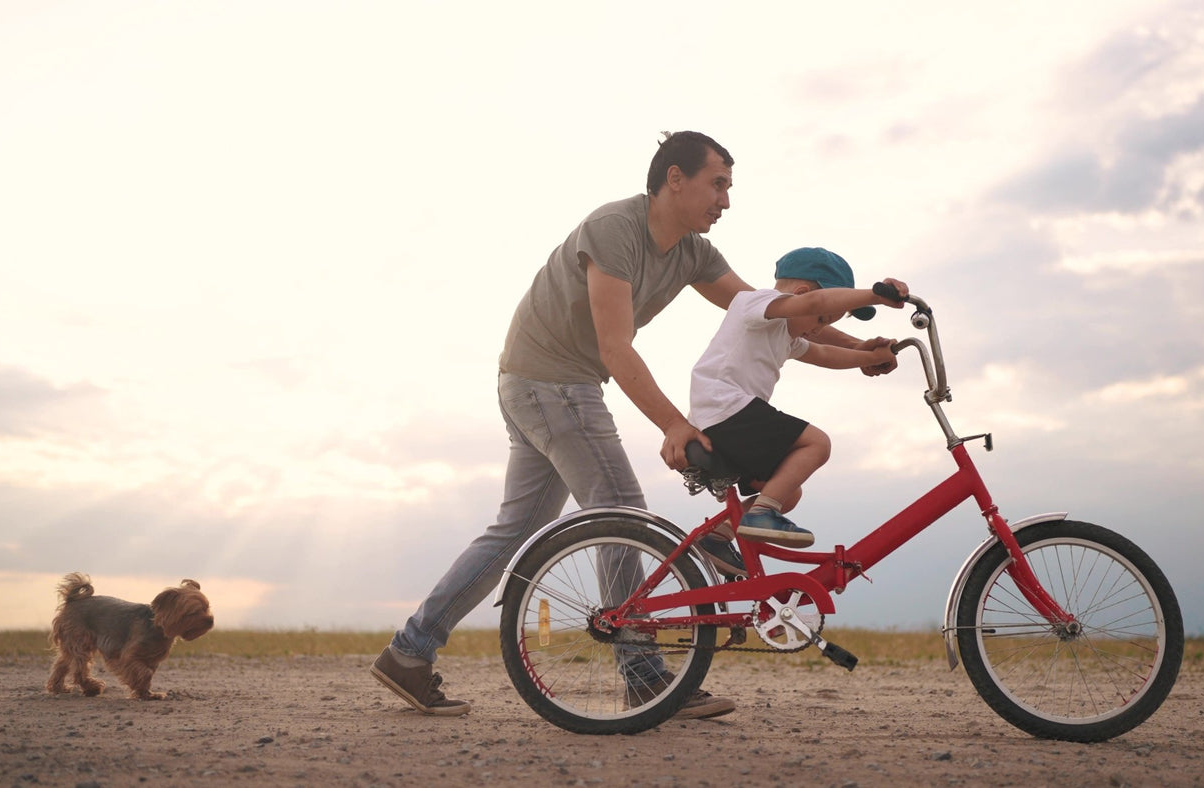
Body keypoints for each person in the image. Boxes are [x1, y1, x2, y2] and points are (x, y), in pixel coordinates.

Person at [371, 132, 899, 719]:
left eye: (729, 188)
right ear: (675, 178)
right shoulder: (615, 229)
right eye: (717, 184)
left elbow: (780, 317)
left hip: (543, 384)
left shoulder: (693, 251)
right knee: (620, 511)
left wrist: (861, 348)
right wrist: (675, 424)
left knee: (514, 529)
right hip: (552, 382)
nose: (725, 201)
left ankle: (409, 653)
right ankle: (645, 677)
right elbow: (615, 347)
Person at [688, 247, 905, 547]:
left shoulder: (785, 335)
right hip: (723, 408)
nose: (819, 329)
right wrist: (875, 295)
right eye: (822, 319)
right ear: (800, 294)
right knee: (817, 443)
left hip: (726, 417)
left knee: (788, 492)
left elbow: (825, 353)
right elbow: (815, 302)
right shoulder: (754, 303)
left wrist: (865, 355)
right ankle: (761, 513)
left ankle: (718, 539)